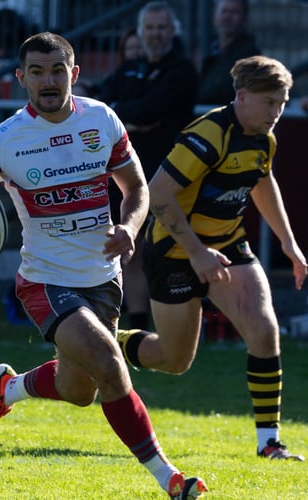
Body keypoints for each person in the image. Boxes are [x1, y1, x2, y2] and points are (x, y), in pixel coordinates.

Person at [0, 32, 207, 499]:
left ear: (74, 74)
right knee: (108, 363)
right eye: (36, 72)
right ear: (21, 78)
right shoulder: (5, 140)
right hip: (45, 280)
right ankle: (170, 480)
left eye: (57, 70)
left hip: (103, 277)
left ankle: (8, 389)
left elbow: (137, 189)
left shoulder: (102, 120)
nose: (48, 80)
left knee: (79, 389)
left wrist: (130, 227)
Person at [117, 55, 306, 462]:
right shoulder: (209, 134)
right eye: (270, 102)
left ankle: (268, 441)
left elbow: (262, 180)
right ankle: (99, 343)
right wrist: (197, 254)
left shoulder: (263, 139)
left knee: (264, 330)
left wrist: (288, 243)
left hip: (229, 246)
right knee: (174, 360)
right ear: (241, 97)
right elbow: (159, 193)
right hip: (173, 250)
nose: (277, 111)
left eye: (283, 103)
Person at [99, 1, 198, 330]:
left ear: (173, 31)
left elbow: (149, 110)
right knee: (131, 247)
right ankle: (137, 324)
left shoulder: (182, 69)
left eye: (161, 28)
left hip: (169, 174)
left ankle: (183, 323)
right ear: (141, 33)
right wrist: (128, 115)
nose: (155, 34)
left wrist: (129, 115)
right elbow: (105, 105)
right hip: (127, 174)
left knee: (171, 248)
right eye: (150, 28)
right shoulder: (132, 67)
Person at [197, 0, 260, 106]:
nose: (227, 17)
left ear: (244, 19)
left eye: (234, 12)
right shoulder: (210, 50)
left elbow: (221, 93)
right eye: (224, 11)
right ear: (215, 17)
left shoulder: (248, 56)